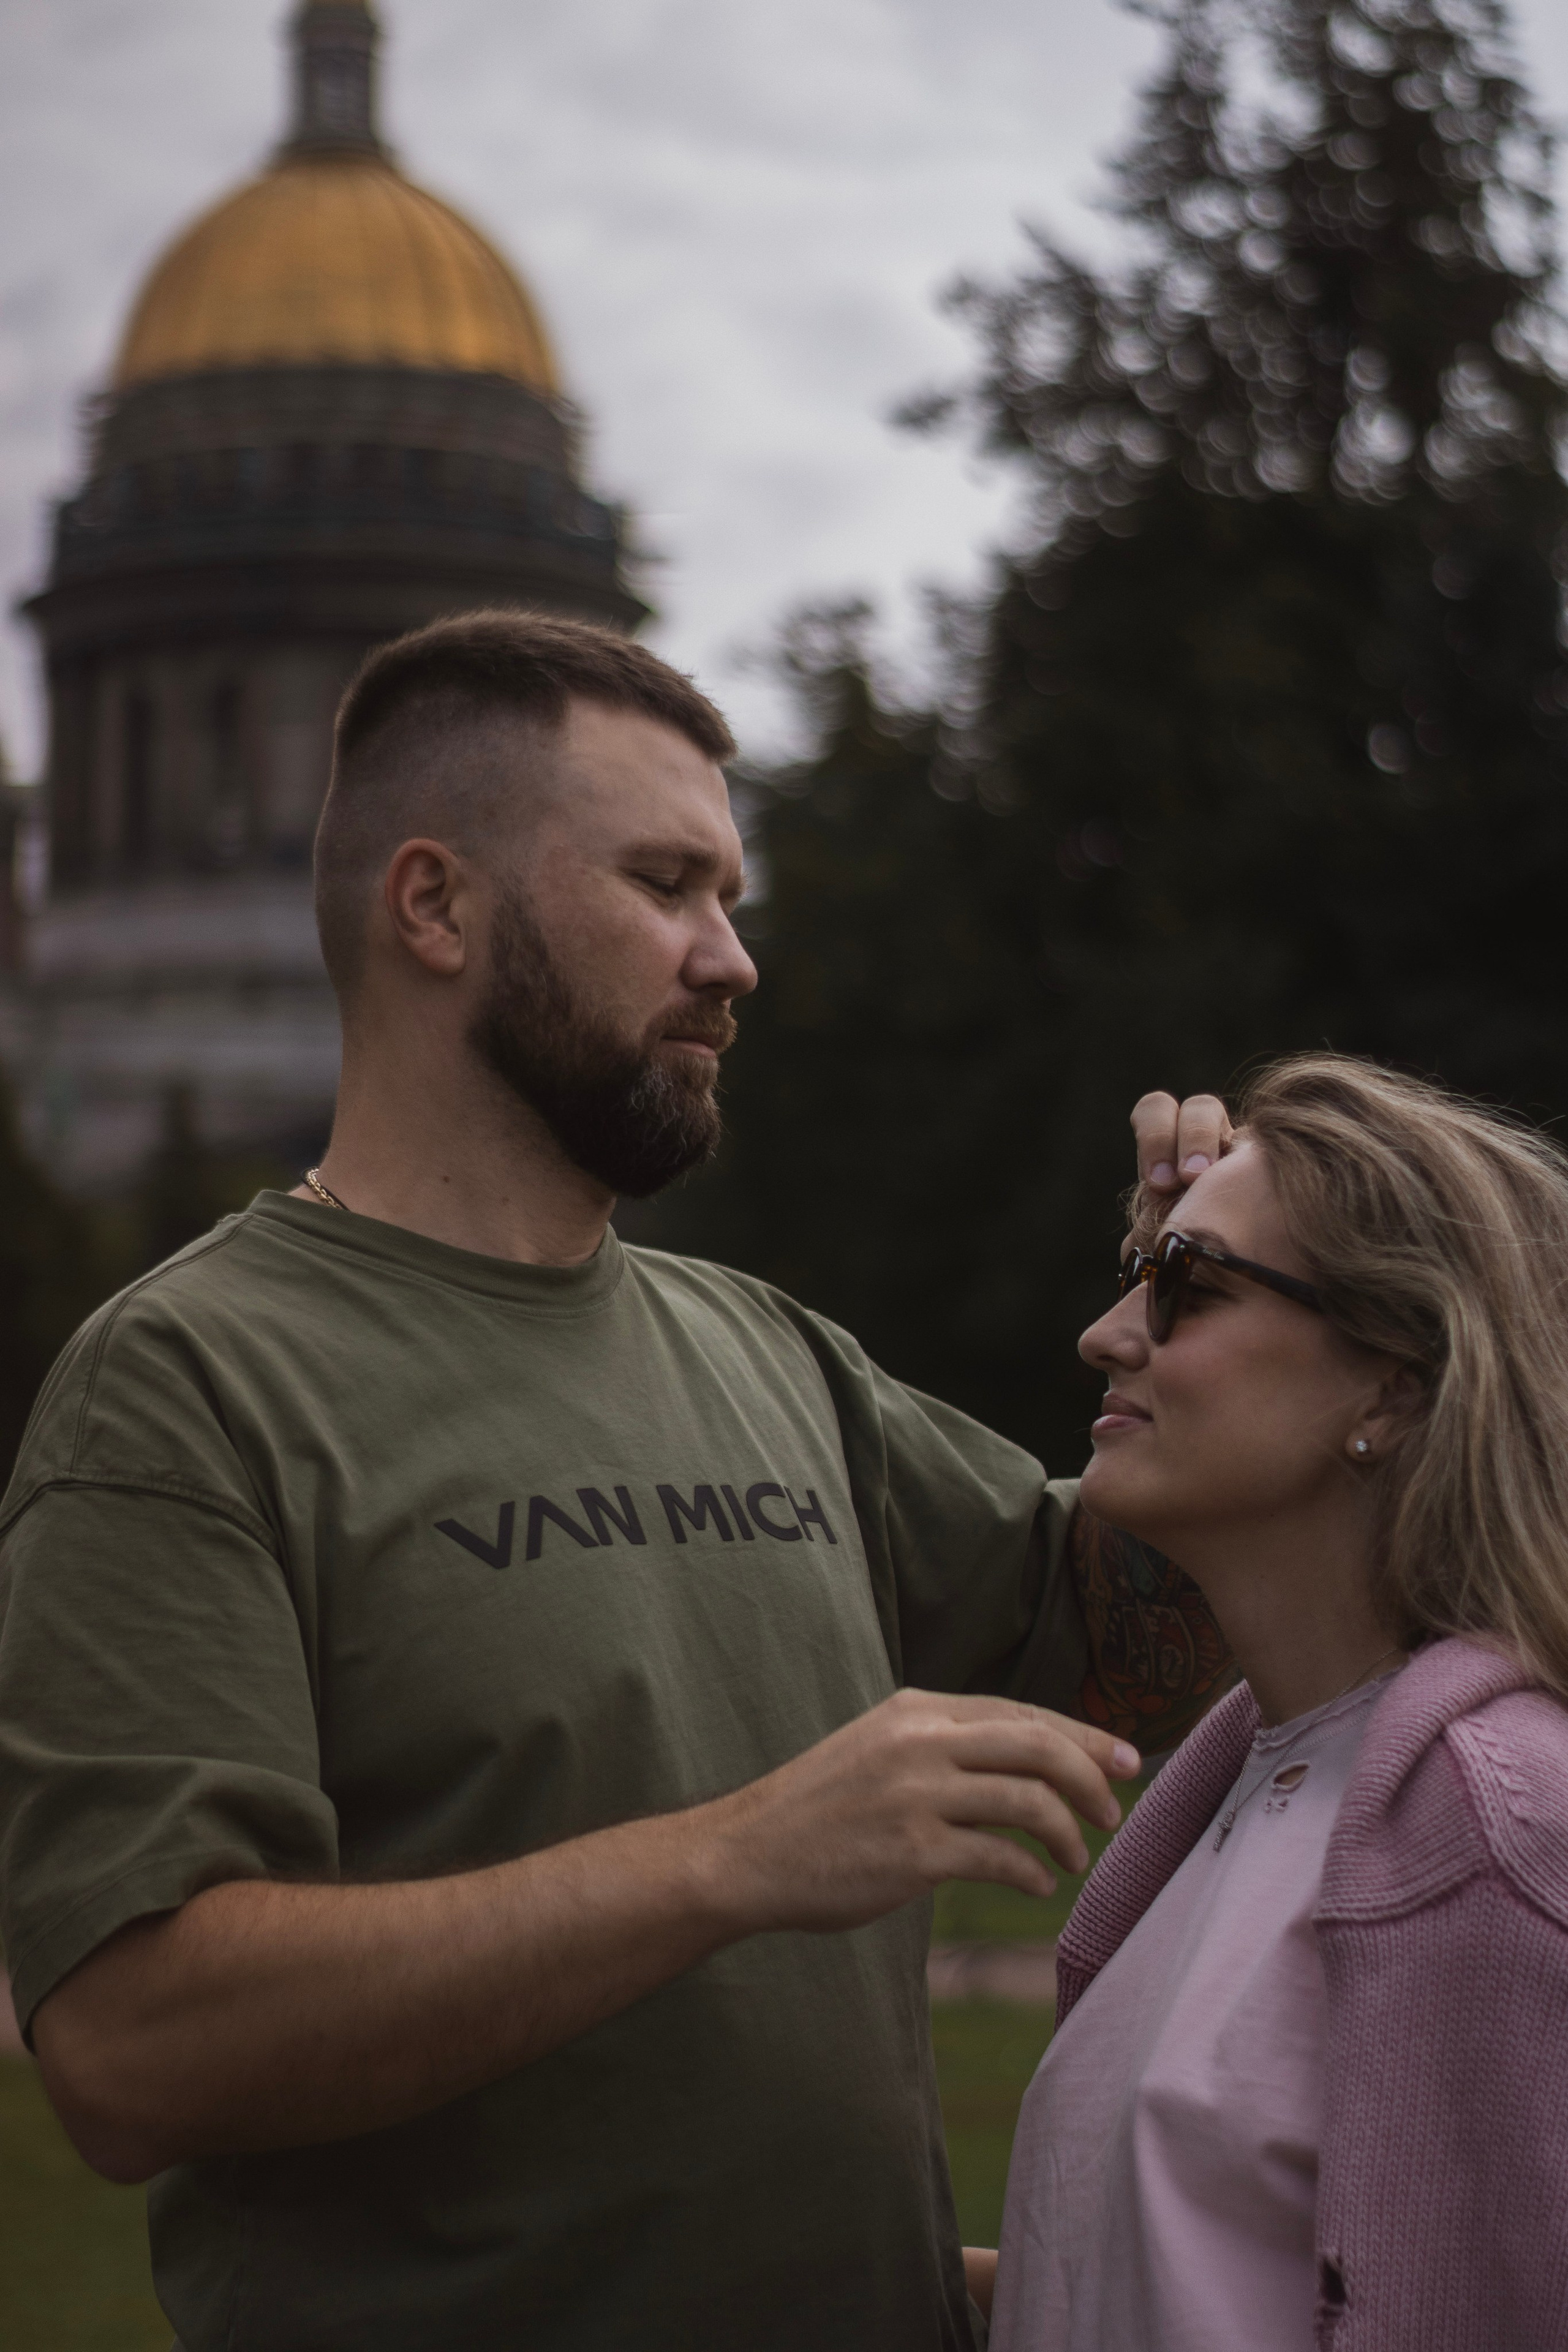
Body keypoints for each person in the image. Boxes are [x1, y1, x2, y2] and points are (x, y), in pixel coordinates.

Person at [0, 612, 1227, 2352]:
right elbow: (132, 2050)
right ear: (436, 907)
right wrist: (734, 1858)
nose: (730, 959)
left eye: (732, 896)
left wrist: (1244, 1325)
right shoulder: (188, 1390)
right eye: (666, 886)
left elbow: (1146, 1652)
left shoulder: (774, 1354)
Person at [987, 1052, 1568, 2352]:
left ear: (1389, 1387)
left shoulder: (1505, 1836)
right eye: (1138, 1275)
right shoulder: (1262, 1777)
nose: (1106, 1332)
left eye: (1185, 1289)